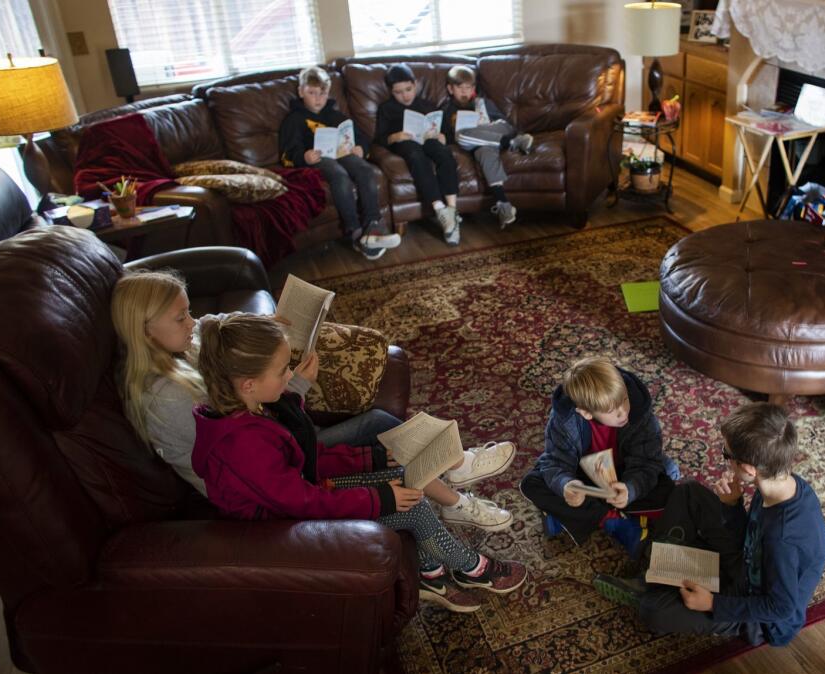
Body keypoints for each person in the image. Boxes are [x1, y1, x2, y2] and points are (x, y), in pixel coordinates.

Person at [111, 270, 516, 535]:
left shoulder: (183, 345)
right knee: (377, 425)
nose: (191, 321)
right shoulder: (168, 399)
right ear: (147, 332)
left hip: (274, 439)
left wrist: (262, 325)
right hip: (269, 462)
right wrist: (299, 388)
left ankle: (456, 469)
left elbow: (211, 325)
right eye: (180, 317)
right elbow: (248, 452)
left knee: (380, 430)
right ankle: (457, 483)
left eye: (188, 312)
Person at [189, 312, 528, 612]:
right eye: (282, 371)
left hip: (300, 500)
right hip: (281, 531)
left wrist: (374, 456)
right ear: (249, 384)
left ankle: (429, 571)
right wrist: (379, 497)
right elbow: (302, 502)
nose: (290, 375)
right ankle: (471, 568)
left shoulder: (259, 409)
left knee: (404, 479)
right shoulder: (242, 444)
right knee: (412, 504)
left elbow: (307, 460)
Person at [592, 403, 825, 646]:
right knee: (689, 493)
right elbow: (753, 536)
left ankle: (655, 581)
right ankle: (654, 572)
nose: (724, 460)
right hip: (748, 565)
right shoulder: (779, 483)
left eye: (727, 456)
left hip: (757, 616)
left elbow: (781, 608)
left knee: (653, 610)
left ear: (748, 469)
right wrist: (732, 505)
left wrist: (713, 604)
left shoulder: (782, 539)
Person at [519, 356, 678, 557]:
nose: (623, 413)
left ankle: (565, 517)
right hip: (584, 477)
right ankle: (614, 522)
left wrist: (630, 489)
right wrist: (567, 486)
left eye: (624, 400)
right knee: (532, 482)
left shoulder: (638, 410)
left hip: (623, 475)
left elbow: (646, 462)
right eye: (612, 410)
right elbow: (556, 462)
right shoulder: (565, 418)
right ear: (585, 413)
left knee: (669, 485)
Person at [279, 65, 400, 260]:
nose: (318, 99)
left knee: (365, 170)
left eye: (322, 93)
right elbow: (288, 152)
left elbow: (359, 136)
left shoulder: (335, 115)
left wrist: (361, 148)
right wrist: (304, 156)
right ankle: (355, 232)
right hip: (319, 159)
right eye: (312, 93)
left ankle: (373, 226)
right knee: (339, 175)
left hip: (342, 153)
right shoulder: (294, 119)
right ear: (301, 92)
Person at [375, 64, 463, 246]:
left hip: (428, 139)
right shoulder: (386, 109)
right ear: (391, 92)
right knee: (416, 156)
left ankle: (452, 211)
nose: (405, 95)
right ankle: (440, 209)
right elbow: (379, 138)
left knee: (444, 153)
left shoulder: (427, 105)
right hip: (405, 143)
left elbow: (446, 132)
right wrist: (395, 136)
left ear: (415, 85)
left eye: (408, 89)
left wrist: (442, 137)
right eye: (398, 92)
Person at [439, 65, 533, 229]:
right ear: (450, 89)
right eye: (460, 87)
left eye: (469, 87)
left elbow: (504, 124)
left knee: (465, 134)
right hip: (477, 144)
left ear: (474, 88)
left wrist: (485, 127)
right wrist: (442, 137)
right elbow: (448, 138)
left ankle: (512, 141)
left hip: (497, 130)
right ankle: (503, 204)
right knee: (476, 146)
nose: (464, 92)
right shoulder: (447, 111)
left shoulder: (482, 102)